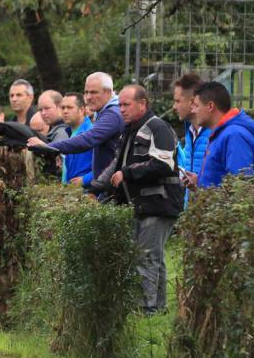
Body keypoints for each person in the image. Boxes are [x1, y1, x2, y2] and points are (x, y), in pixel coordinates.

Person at [93, 85, 183, 314]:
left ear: (142, 104)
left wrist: (129, 172)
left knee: (146, 257)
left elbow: (163, 164)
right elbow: (116, 164)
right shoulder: (129, 130)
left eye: (126, 104)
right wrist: (95, 188)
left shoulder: (158, 127)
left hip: (158, 203)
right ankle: (158, 308)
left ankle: (146, 309)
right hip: (143, 204)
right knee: (153, 257)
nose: (121, 109)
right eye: (120, 104)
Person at [28, 72, 123, 186]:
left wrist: (47, 147)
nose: (88, 97)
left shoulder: (111, 114)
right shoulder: (103, 113)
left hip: (106, 188)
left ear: (108, 92)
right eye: (86, 92)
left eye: (93, 92)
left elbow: (87, 140)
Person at [187, 81, 254, 189]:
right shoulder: (221, 134)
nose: (193, 110)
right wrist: (199, 181)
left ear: (210, 106)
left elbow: (240, 189)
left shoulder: (234, 136)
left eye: (196, 106)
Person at [171, 74, 207, 196]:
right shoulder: (189, 132)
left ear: (193, 101)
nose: (173, 107)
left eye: (177, 101)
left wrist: (201, 184)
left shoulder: (216, 133)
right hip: (193, 212)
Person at [59, 93, 93, 185]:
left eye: (69, 107)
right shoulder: (71, 132)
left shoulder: (91, 133)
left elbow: (106, 166)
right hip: (71, 194)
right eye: (63, 108)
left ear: (81, 110)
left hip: (88, 194)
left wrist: (85, 179)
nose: (65, 111)